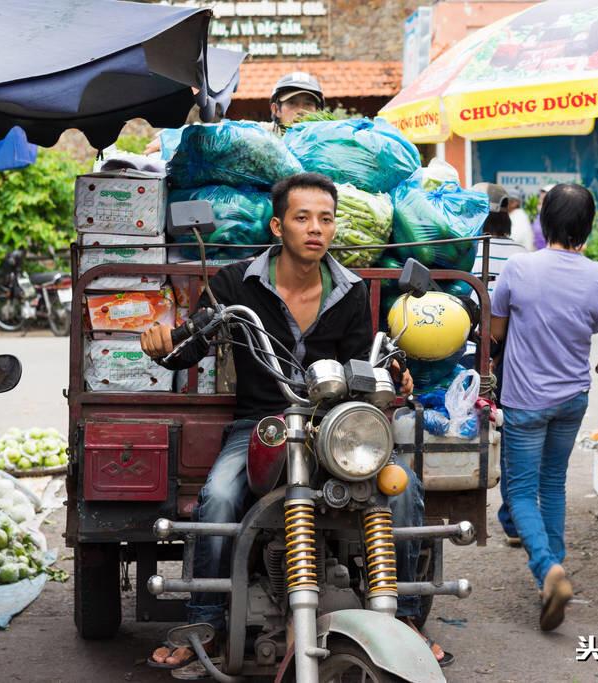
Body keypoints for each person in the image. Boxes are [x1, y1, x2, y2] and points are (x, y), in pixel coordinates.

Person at [141, 173, 452, 672]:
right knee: (219, 494)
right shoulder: (233, 284)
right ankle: (204, 620)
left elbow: (361, 365)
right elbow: (189, 346)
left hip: (332, 427)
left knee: (405, 488)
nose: (315, 228)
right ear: (277, 225)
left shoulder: (350, 291)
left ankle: (408, 617)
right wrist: (162, 342)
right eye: (302, 217)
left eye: (325, 219)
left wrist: (391, 372)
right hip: (260, 424)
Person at [490, 184, 598, 631]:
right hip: (573, 396)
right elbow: (591, 322)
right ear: (588, 226)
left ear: (544, 222)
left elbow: (495, 331)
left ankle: (547, 569)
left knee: (520, 492)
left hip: (524, 400)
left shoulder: (518, 267)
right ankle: (552, 575)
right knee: (553, 484)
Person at [470, 182, 527, 547]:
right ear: (506, 212)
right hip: (507, 356)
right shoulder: (524, 256)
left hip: (460, 352)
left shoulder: (463, 254)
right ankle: (512, 518)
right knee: (509, 434)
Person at [142, 71, 325, 154]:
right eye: (292, 103)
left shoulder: (328, 141)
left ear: (318, 110)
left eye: (308, 104)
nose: (301, 111)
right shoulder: (265, 133)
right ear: (276, 109)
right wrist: (174, 138)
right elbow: (224, 132)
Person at [507, 188, 535, 252]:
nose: (507, 203)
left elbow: (515, 238)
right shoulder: (513, 214)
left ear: (516, 203)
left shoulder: (519, 216)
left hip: (521, 254)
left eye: (510, 200)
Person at [531, 184, 554, 251]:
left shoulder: (557, 219)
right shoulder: (538, 217)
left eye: (544, 199)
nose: (540, 202)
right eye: (540, 198)